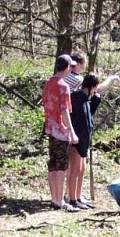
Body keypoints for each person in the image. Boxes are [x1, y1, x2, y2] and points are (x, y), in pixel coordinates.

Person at [64, 52, 120, 209]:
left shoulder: (87, 97)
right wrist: (111, 79)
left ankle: (77, 196)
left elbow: (92, 106)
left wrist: (95, 97)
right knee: (74, 168)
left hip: (83, 135)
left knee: (80, 168)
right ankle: (72, 198)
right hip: (75, 135)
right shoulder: (76, 91)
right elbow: (70, 114)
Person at [42, 54, 79, 212]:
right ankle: (59, 201)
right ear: (66, 68)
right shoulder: (63, 86)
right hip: (60, 131)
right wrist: (71, 131)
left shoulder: (48, 83)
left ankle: (55, 199)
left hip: (50, 128)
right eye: (71, 67)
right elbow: (64, 111)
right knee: (61, 166)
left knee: (53, 164)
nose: (72, 69)